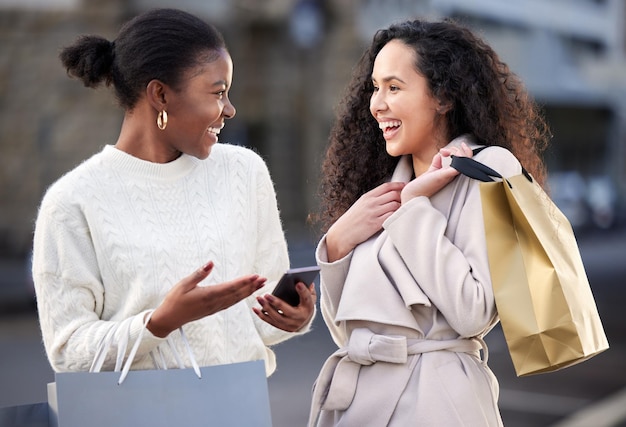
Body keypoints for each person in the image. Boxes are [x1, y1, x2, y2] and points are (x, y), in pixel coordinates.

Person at [31, 8, 316, 377]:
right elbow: (67, 351)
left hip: (239, 409)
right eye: (218, 92)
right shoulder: (72, 203)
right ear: (160, 95)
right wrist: (159, 323)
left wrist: (291, 316)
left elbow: (260, 323)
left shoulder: (244, 173)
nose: (229, 109)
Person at [308, 18, 550, 426]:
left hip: (435, 404)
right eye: (375, 87)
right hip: (355, 405)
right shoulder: (380, 190)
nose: (376, 104)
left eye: (394, 87)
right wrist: (337, 241)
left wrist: (414, 208)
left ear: (442, 97)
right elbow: (349, 333)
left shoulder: (489, 169)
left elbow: (472, 311)